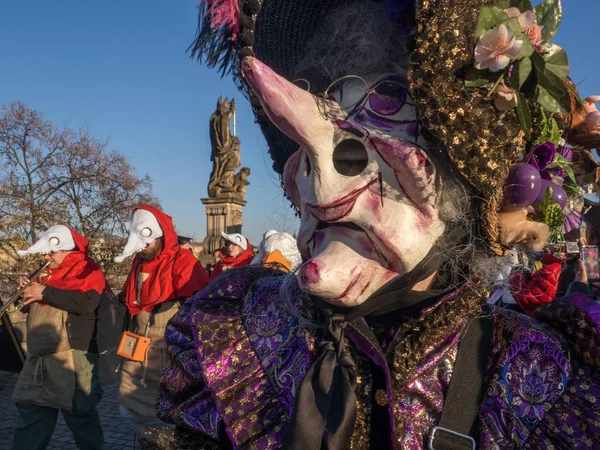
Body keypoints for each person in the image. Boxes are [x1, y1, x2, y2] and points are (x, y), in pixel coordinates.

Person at [145, 1, 600, 448]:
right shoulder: (238, 330)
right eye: (329, 118)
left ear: (467, 179)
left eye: (384, 109)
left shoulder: (537, 377)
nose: (321, 167)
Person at [12, 225, 108, 450]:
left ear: (68, 250)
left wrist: (44, 293)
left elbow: (87, 303)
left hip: (74, 355)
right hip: (39, 357)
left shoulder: (89, 270)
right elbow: (23, 308)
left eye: (51, 252)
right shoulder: (44, 274)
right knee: (31, 414)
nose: (46, 257)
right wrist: (22, 293)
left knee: (80, 417)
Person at [114, 205, 209, 432]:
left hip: (169, 354)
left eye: (147, 243)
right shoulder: (139, 262)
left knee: (166, 418)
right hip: (137, 350)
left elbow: (200, 308)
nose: (142, 249)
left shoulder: (183, 261)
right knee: (128, 408)